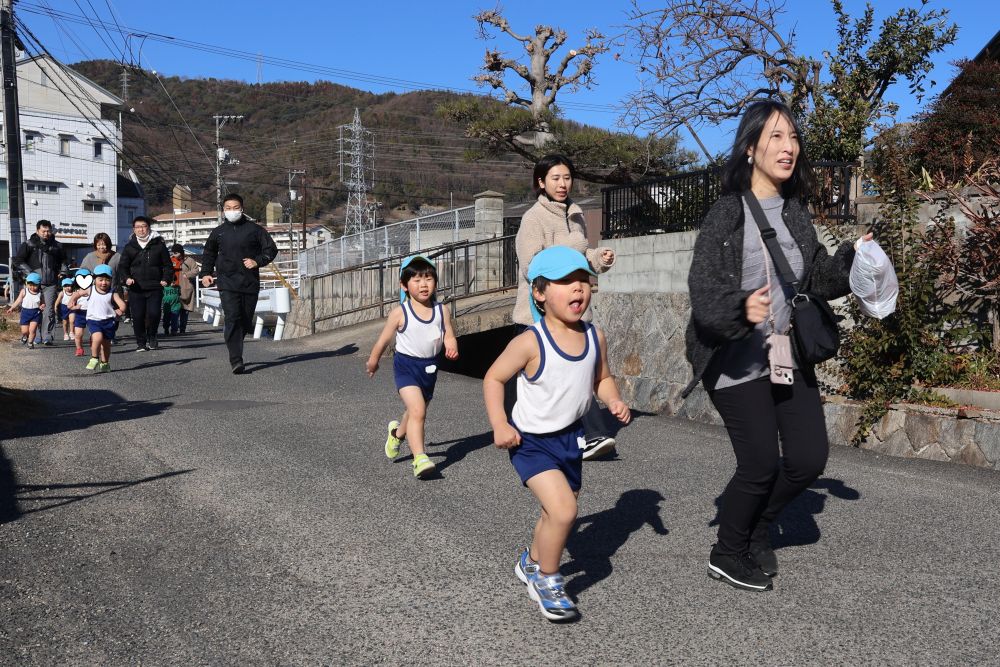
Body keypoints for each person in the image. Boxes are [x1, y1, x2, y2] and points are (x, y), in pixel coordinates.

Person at [683, 99, 869, 592]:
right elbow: (702, 292)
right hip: (735, 359)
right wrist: (739, 309)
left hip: (786, 354)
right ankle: (727, 551)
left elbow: (815, 280)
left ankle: (757, 525)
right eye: (776, 138)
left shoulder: (794, 211)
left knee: (808, 459)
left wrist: (856, 257)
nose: (789, 148)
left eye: (793, 137)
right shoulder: (727, 213)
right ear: (750, 149)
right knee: (761, 462)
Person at [483, 246, 631, 622]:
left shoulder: (595, 336)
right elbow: (494, 377)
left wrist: (612, 399)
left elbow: (602, 378)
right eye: (566, 282)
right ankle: (548, 580)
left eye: (582, 279)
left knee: (555, 512)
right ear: (540, 292)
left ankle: (531, 561)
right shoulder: (531, 341)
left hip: (571, 439)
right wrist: (499, 424)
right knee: (565, 510)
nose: (577, 289)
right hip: (530, 442)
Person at [514, 154, 618, 461]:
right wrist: (575, 246)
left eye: (567, 177)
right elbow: (531, 267)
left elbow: (579, 259)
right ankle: (583, 433)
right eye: (555, 178)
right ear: (541, 182)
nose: (562, 184)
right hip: (539, 313)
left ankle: (588, 435)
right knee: (548, 378)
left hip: (572, 310)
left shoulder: (575, 213)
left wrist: (599, 259)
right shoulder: (533, 218)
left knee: (575, 372)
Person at [366, 255, 459, 479]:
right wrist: (374, 360)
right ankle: (420, 458)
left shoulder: (441, 310)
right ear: (404, 285)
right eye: (416, 280)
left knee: (414, 411)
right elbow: (383, 340)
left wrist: (451, 346)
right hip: (406, 367)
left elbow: (448, 334)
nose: (423, 284)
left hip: (430, 368)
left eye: (428, 278)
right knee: (418, 410)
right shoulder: (401, 313)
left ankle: (396, 434)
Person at [199, 193, 278, 374]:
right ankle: (236, 359)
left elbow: (271, 249)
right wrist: (206, 274)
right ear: (223, 210)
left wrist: (257, 261)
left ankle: (236, 343)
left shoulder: (255, 230)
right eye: (228, 208)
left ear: (242, 209)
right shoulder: (218, 232)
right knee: (232, 317)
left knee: (244, 319)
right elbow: (209, 254)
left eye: (235, 208)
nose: (232, 211)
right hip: (227, 282)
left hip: (249, 282)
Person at [118, 216, 172, 352]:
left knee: (154, 314)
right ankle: (141, 343)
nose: (141, 229)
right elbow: (122, 267)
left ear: (148, 228)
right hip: (136, 287)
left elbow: (168, 265)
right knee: (137, 316)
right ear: (134, 229)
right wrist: (127, 279)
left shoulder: (159, 245)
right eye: (138, 227)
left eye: (144, 226)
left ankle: (152, 336)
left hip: (155, 286)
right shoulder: (130, 247)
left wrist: (166, 278)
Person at [13, 219, 69, 345]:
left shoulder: (57, 246)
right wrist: (31, 274)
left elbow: (64, 261)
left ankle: (47, 336)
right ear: (37, 231)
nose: (46, 233)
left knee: (48, 310)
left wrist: (63, 272)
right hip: (33, 285)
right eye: (43, 231)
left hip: (51, 283)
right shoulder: (28, 244)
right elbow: (18, 260)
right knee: (35, 310)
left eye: (48, 231)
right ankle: (36, 335)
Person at [68, 264, 125, 372]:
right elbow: (78, 293)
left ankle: (105, 362)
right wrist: (71, 300)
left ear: (111, 280)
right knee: (97, 338)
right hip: (93, 320)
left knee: (106, 346)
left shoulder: (112, 293)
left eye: (107, 280)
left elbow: (122, 304)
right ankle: (94, 358)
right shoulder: (90, 290)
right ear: (94, 279)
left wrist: (120, 310)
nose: (104, 282)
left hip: (108, 321)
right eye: (100, 279)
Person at [5, 272, 45, 349]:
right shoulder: (24, 291)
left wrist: (42, 305)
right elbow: (18, 300)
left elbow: (43, 302)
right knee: (25, 331)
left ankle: (30, 343)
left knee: (32, 330)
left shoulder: (40, 293)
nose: (32, 287)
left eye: (35, 285)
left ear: (39, 285)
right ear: (27, 284)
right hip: (25, 313)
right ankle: (24, 336)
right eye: (30, 285)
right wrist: (11, 308)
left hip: (36, 313)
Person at [172, 244, 199, 334]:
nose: (174, 254)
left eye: (176, 252)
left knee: (184, 310)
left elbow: (196, 270)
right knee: (175, 309)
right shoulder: (172, 259)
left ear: (181, 252)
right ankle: (174, 329)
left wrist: (187, 274)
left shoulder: (189, 260)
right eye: (173, 252)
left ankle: (182, 329)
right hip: (174, 288)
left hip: (186, 288)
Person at [70, 268, 91, 357]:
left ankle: (94, 346)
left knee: (94, 334)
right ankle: (79, 349)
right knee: (78, 334)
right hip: (80, 314)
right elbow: (70, 305)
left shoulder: (93, 290)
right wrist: (75, 307)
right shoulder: (76, 292)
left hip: (92, 314)